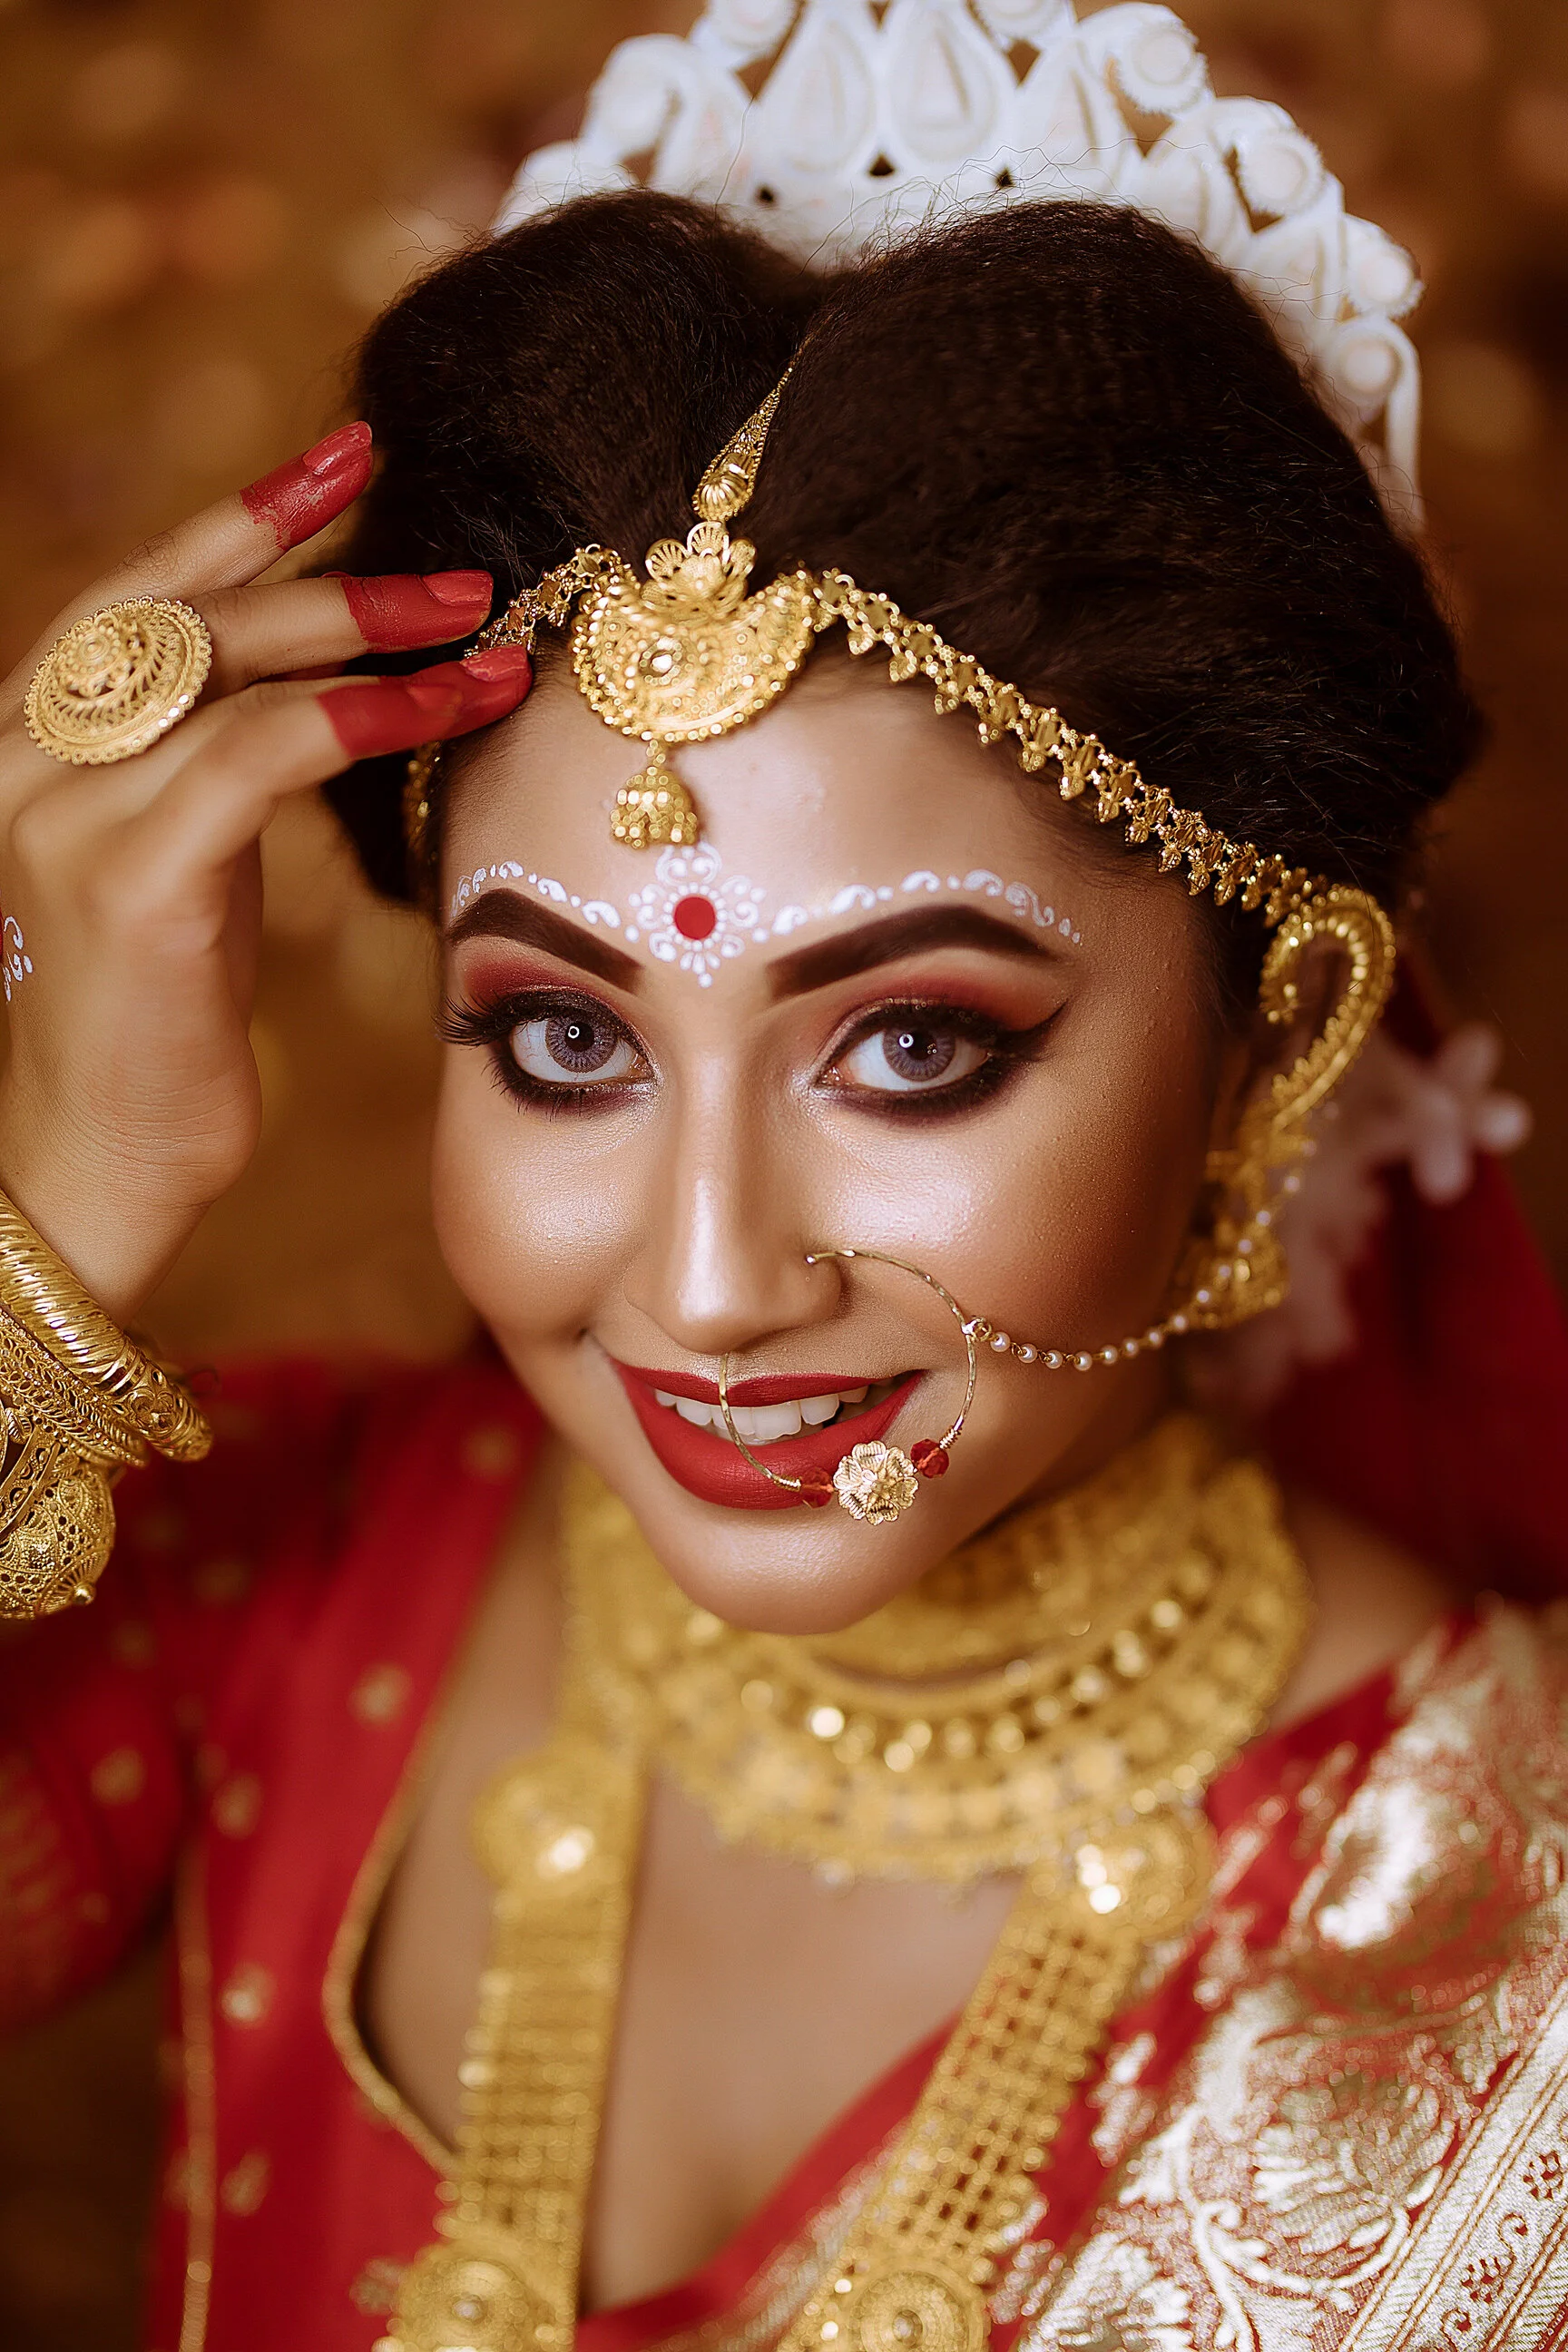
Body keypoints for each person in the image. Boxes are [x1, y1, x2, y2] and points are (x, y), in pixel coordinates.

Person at [3, 5, 1567, 2349]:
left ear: (1281, 1033)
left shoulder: (1502, 1952)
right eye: (561, 1038)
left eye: (916, 1044)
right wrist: (56, 1207)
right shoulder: (293, 1578)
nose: (711, 1287)